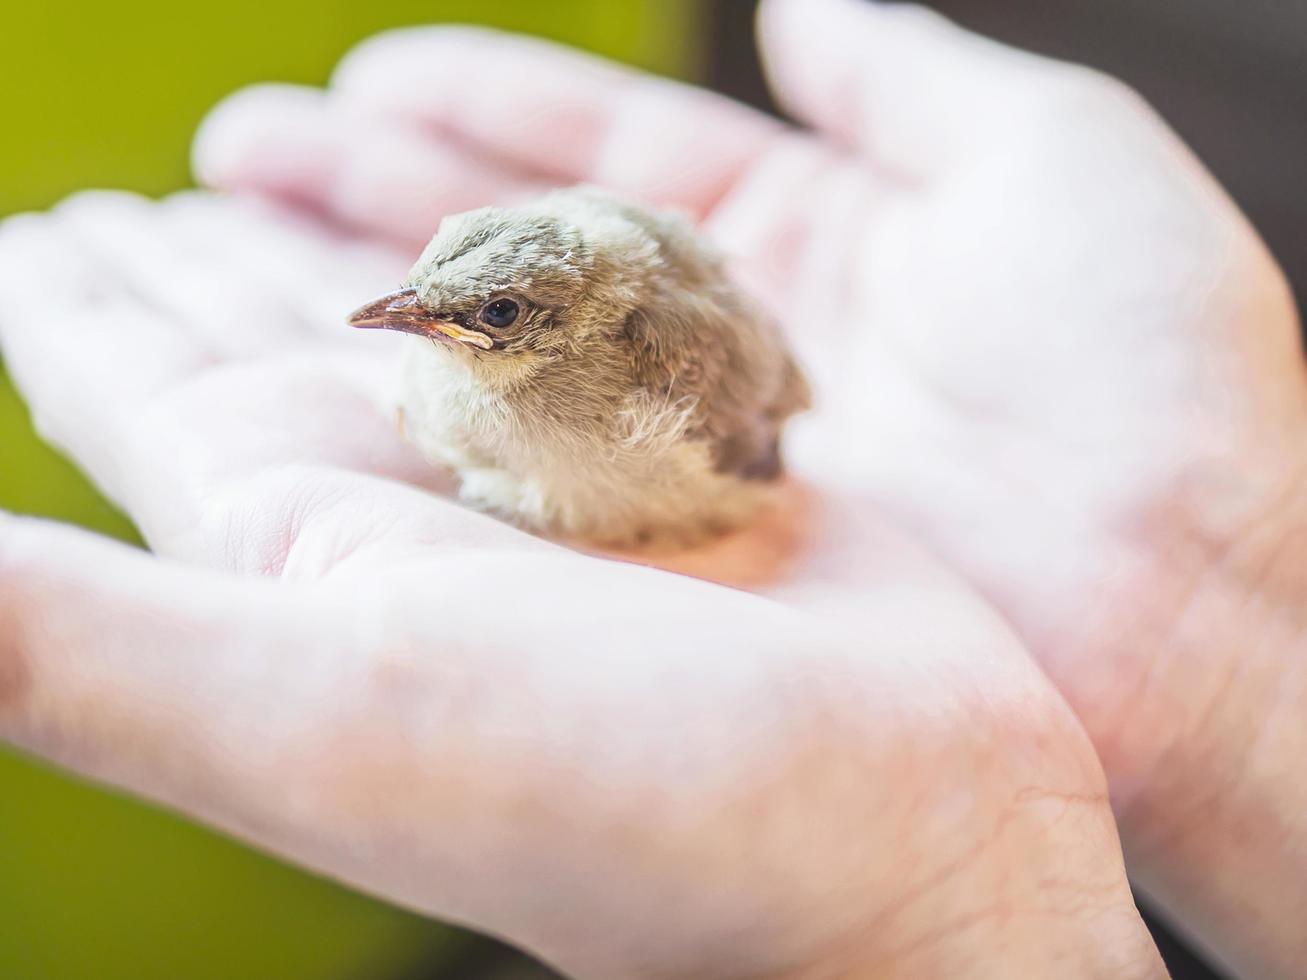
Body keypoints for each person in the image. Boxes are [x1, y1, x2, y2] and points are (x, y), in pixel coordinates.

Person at [0, 0, 1303, 975]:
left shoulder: (635, 377)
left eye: (486, 317)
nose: (422, 323)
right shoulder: (494, 330)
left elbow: (750, 448)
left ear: (556, 320)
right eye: (430, 295)